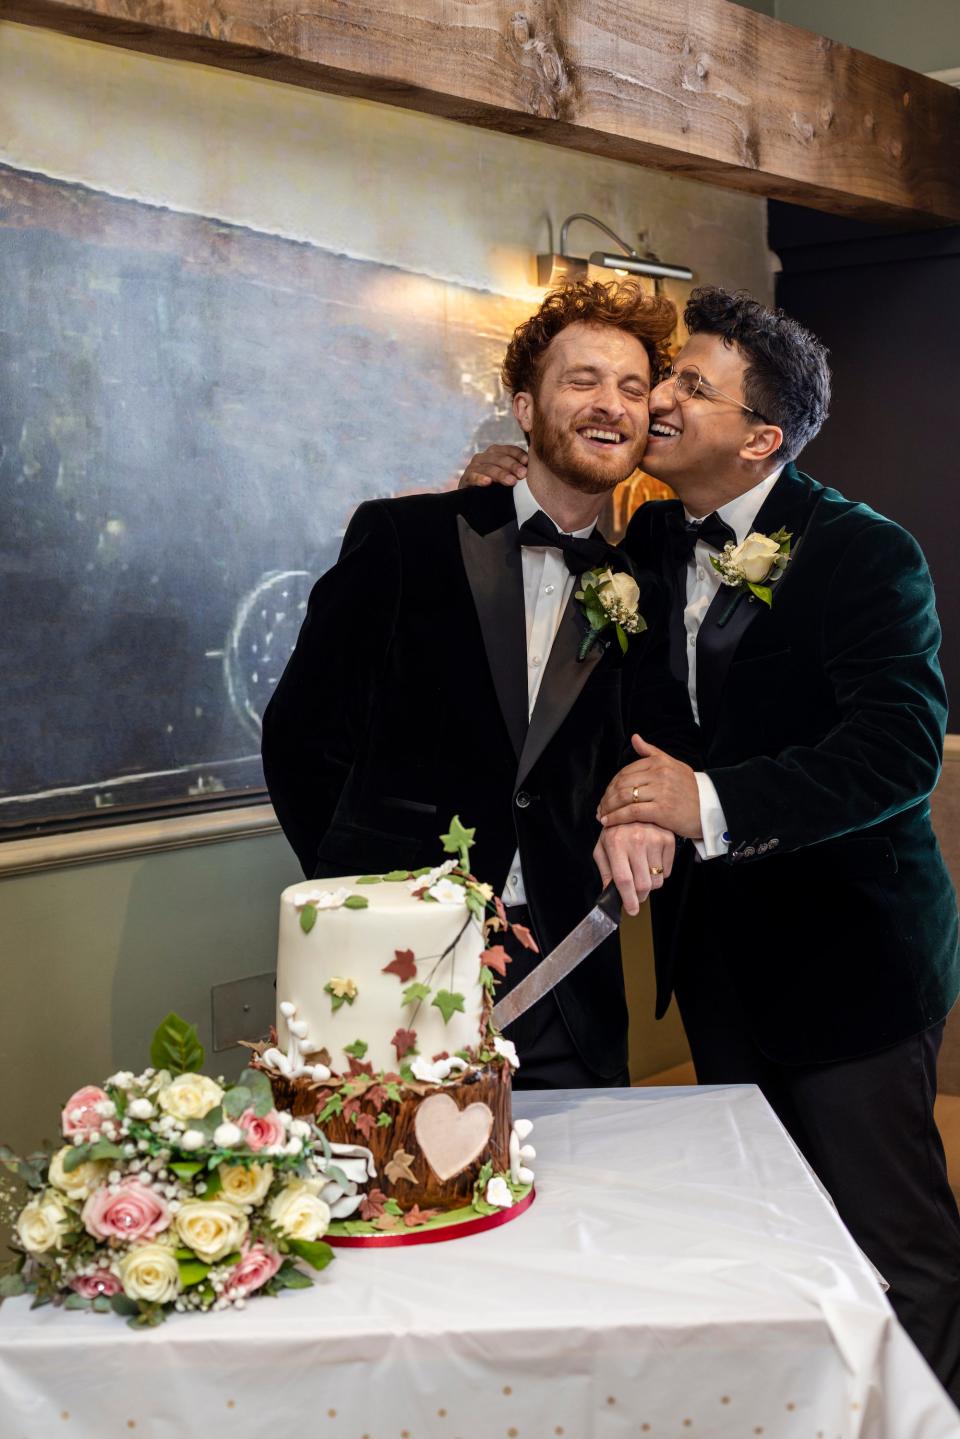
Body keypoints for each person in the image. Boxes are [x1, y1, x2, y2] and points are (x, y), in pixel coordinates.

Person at [461, 284, 960, 1400]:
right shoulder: (641, 543)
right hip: (717, 957)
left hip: (853, 956)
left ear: (762, 435)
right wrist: (509, 488)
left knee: (893, 1239)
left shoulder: (863, 553)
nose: (661, 397)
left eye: (689, 382)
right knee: (771, 1222)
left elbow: (895, 753)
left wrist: (708, 801)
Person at [262, 280, 698, 1090]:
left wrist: (648, 810)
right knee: (397, 1190)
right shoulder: (404, 538)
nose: (611, 404)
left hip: (567, 964)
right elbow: (300, 737)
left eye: (632, 388)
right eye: (583, 380)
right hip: (398, 951)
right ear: (525, 408)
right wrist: (366, 897)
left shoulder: (649, 577)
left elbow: (662, 730)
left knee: (578, 1199)